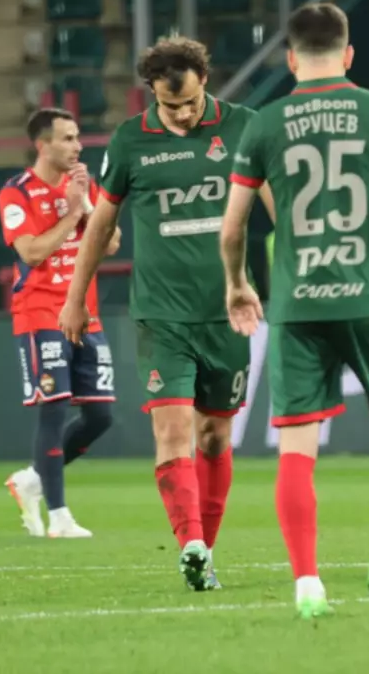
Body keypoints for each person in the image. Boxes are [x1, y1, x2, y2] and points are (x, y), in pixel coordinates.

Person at [220, 2, 369, 620]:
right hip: (367, 296)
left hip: (296, 303)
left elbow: (232, 228)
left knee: (297, 446)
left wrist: (237, 285)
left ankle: (307, 584)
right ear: (349, 53)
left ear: (290, 59)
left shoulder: (264, 123)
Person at [58, 34, 274, 591]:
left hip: (227, 312)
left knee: (215, 438)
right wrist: (76, 298)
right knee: (172, 430)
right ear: (151, 93)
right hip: (161, 315)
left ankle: (206, 554)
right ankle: (191, 545)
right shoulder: (131, 140)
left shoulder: (246, 127)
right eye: (169, 104)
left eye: (190, 103)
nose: (181, 114)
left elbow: (282, 210)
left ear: (207, 84)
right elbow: (101, 225)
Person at [0, 108, 120, 539]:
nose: (77, 146)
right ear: (42, 145)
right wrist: (69, 215)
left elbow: (112, 242)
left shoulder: (83, 186)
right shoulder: (16, 193)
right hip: (41, 313)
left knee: (100, 416)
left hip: (84, 314)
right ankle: (60, 516)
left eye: (77, 137)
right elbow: (31, 252)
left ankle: (32, 479)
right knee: (53, 411)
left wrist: (85, 204)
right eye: (67, 138)